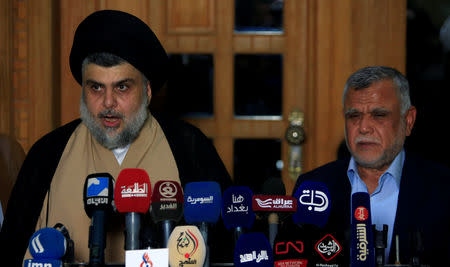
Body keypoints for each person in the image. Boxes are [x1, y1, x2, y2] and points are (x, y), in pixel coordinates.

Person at [0, 10, 232, 266]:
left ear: (147, 90)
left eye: (122, 87)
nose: (108, 102)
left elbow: (226, 248)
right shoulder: (46, 155)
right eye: (96, 87)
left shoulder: (190, 148)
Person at [292, 66, 450, 266]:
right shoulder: (313, 186)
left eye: (379, 115)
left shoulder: (443, 188)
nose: (364, 127)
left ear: (408, 121)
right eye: (354, 116)